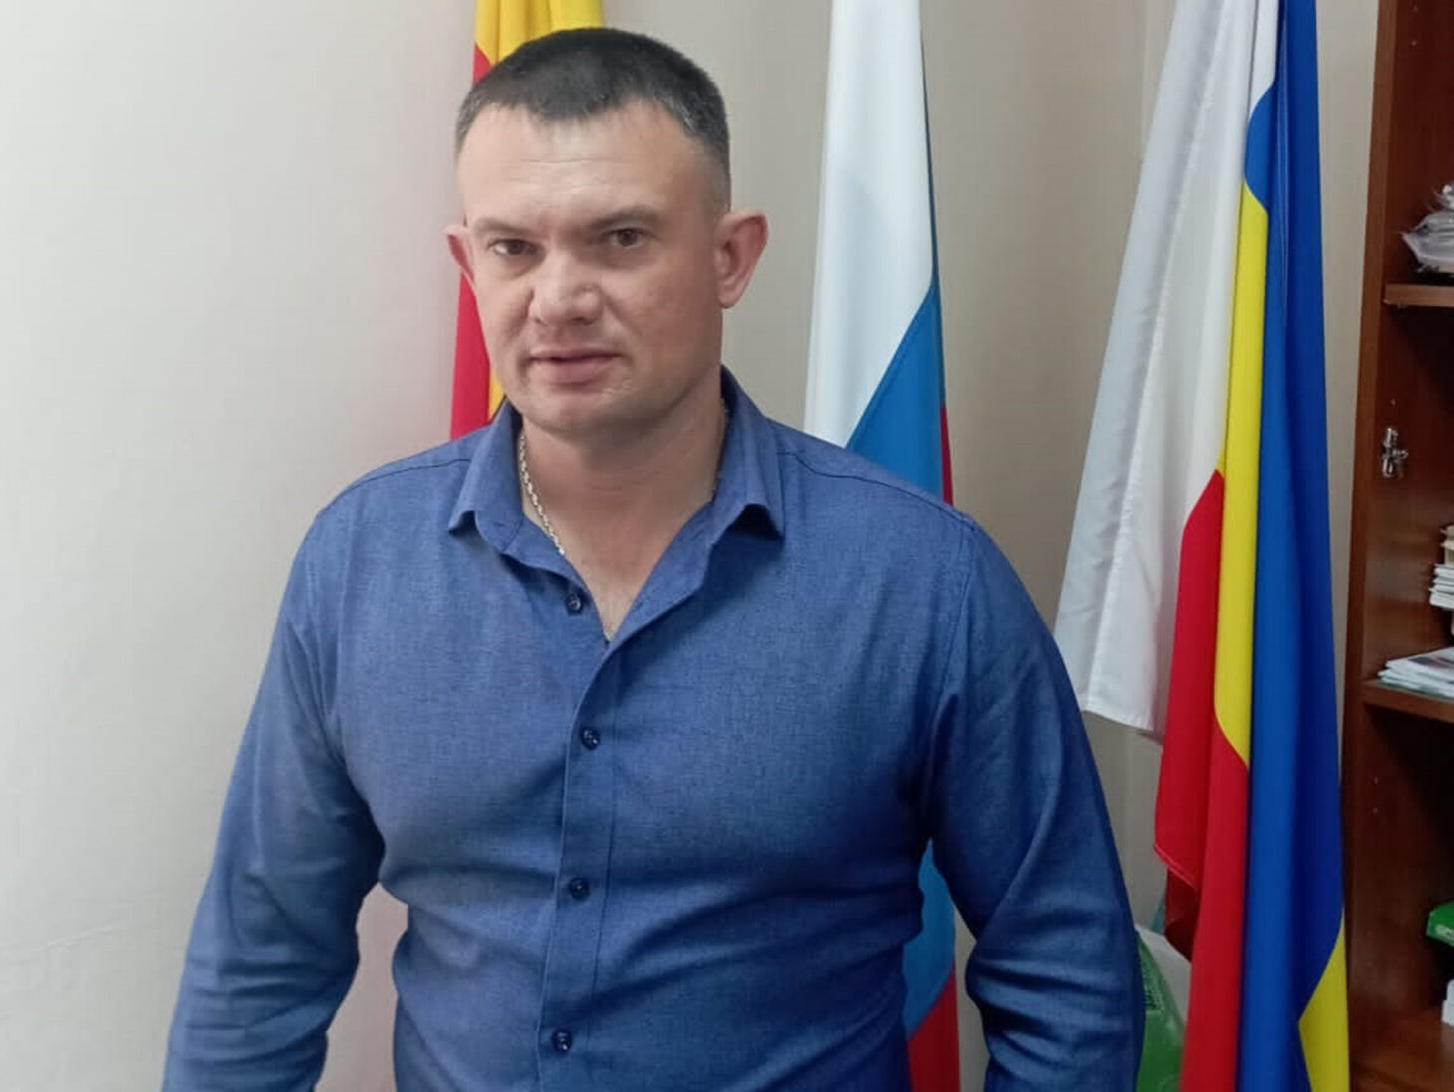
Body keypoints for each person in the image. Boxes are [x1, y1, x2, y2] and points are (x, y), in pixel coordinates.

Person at [163, 27, 1142, 1091]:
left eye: (620, 238)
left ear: (730, 257)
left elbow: (1068, 981)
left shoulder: (925, 585)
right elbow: (259, 966)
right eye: (513, 248)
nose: (558, 299)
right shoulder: (359, 563)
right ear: (467, 263)